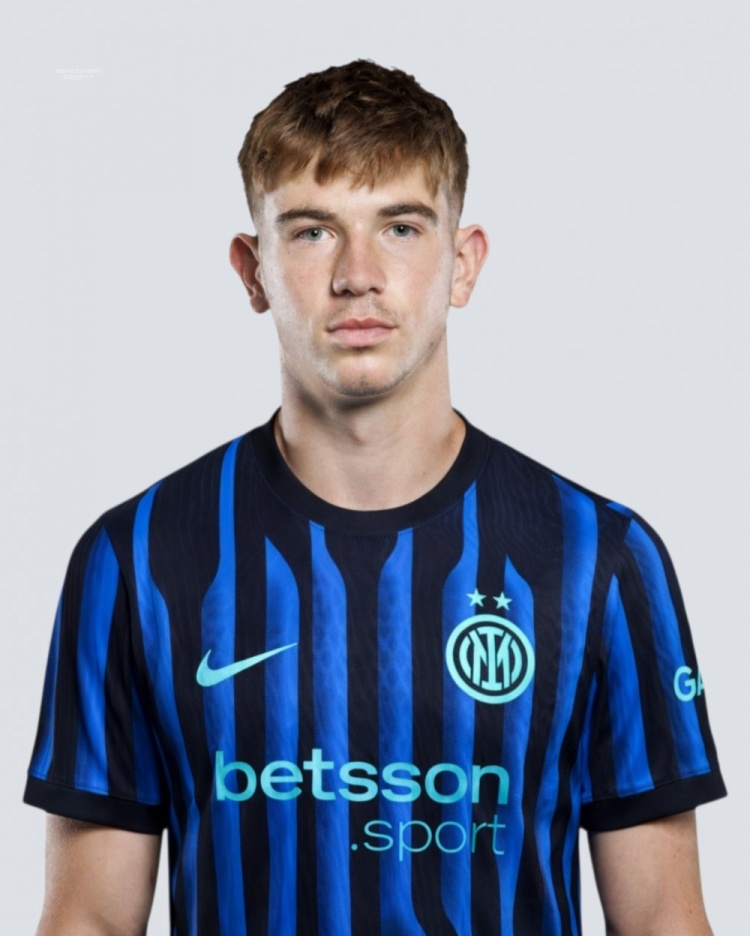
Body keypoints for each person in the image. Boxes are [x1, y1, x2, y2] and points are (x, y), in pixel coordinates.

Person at [25, 60, 725, 936]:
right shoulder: (138, 559)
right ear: (253, 270)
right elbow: (89, 918)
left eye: (400, 226)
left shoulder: (600, 557)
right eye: (313, 232)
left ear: (462, 264)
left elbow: (662, 919)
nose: (358, 274)